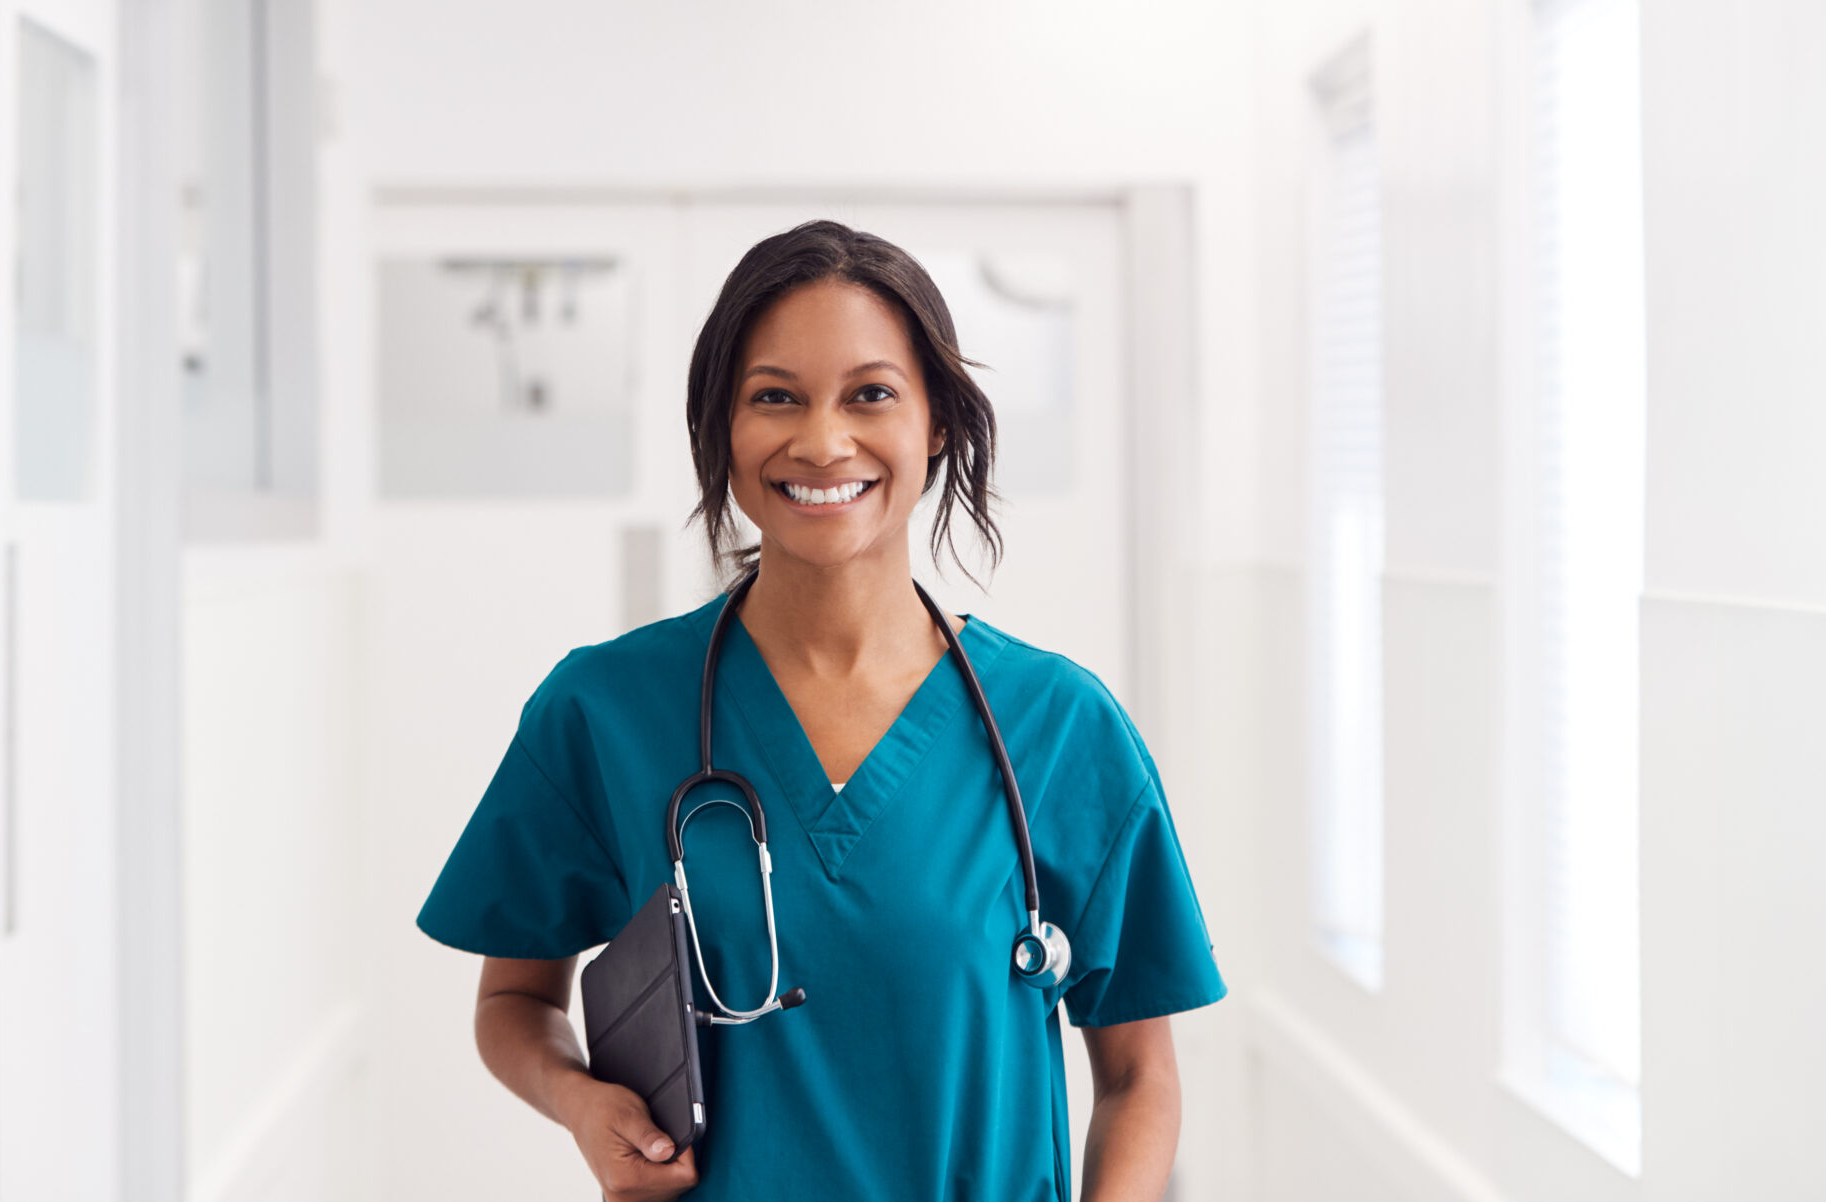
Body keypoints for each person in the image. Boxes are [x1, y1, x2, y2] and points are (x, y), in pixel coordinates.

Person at [418, 220, 1225, 1201]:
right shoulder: (603, 711)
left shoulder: (1059, 728)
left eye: (870, 394)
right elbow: (513, 999)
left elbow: (1139, 1075)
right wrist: (583, 1105)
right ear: (722, 429)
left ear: (938, 426)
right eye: (774, 398)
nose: (822, 440)